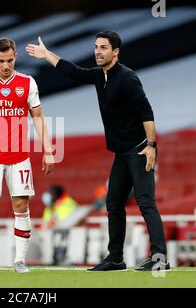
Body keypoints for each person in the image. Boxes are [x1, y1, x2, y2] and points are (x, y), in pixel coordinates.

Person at [26, 31, 170, 271]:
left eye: (103, 47)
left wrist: (151, 146)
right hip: (121, 154)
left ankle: (160, 258)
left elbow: (147, 112)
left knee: (146, 203)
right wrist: (46, 54)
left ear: (116, 52)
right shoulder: (99, 76)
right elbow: (73, 71)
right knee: (113, 203)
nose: (98, 51)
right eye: (96, 47)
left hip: (139, 150)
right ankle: (115, 258)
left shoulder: (127, 78)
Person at [0, 37, 54, 274]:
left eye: (10, 60)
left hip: (19, 157)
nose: (6, 65)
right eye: (2, 61)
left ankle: (20, 260)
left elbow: (37, 117)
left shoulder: (27, 82)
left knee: (21, 204)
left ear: (15, 57)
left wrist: (48, 150)